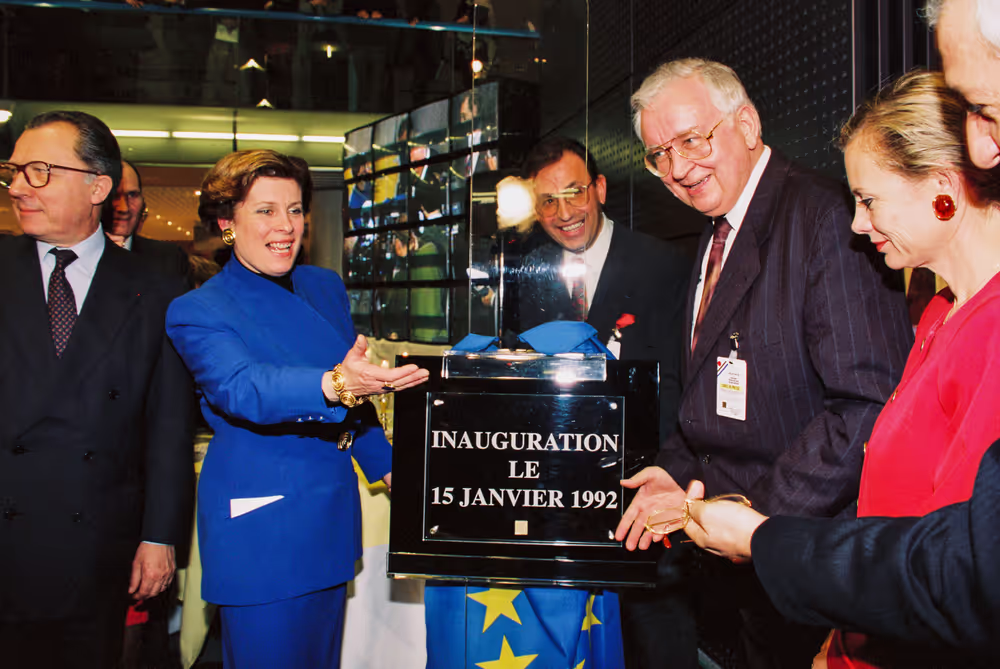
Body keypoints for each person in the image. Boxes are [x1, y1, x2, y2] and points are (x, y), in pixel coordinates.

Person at [681, 68, 1000, 668]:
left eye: (869, 199)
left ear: (943, 186)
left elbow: (959, 575)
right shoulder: (938, 312)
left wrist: (759, 537)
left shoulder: (992, 330)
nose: (857, 223)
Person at [612, 58, 913, 669]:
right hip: (731, 579)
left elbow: (867, 405)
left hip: (802, 570)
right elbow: (711, 391)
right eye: (658, 153)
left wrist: (753, 521)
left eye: (693, 140)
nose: (677, 168)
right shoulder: (714, 227)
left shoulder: (827, 218)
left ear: (746, 123)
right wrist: (674, 470)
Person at [165, 149, 429, 668]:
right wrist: (335, 382)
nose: (285, 225)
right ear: (227, 224)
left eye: (294, 209)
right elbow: (243, 389)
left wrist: (393, 470)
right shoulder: (198, 309)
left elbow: (355, 392)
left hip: (329, 517)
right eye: (265, 210)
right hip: (264, 531)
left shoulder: (322, 286)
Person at [0, 110, 194, 668]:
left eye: (39, 172)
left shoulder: (154, 287)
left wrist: (160, 537)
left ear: (98, 187)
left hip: (97, 546)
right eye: (13, 171)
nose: (17, 187)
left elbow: (168, 423)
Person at [517, 136, 689, 440]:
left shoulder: (661, 265)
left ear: (600, 189)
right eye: (549, 201)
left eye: (574, 192)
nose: (565, 213)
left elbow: (676, 387)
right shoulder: (533, 270)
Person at [105, 159, 191, 283]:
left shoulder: (169, 259)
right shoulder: (74, 256)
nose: (124, 208)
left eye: (132, 195)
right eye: (115, 196)